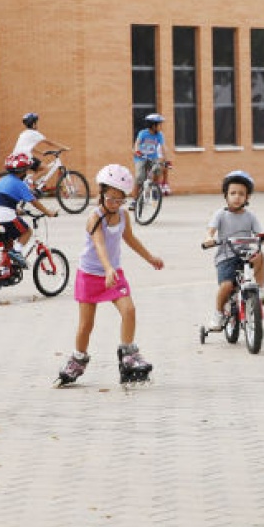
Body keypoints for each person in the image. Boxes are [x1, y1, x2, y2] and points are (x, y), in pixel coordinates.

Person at [57, 164, 165, 386]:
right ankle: (77, 359)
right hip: (91, 274)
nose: (115, 203)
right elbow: (99, 245)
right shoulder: (95, 217)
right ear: (102, 193)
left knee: (130, 310)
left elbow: (130, 240)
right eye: (111, 198)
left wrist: (150, 257)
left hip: (114, 274)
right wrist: (107, 268)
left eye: (120, 199)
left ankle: (128, 355)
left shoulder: (123, 215)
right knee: (86, 325)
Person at [204, 170, 264, 330]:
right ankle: (218, 313)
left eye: (241, 193)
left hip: (245, 255)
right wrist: (209, 238)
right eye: (232, 193)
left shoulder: (250, 216)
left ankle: (260, 289)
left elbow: (260, 233)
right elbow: (211, 230)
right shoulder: (220, 214)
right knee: (227, 286)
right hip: (226, 257)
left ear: (247, 197)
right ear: (226, 195)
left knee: (259, 255)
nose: (237, 197)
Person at [0, 153, 56, 272]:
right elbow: (33, 202)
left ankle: (4, 271)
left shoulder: (3, 180)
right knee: (27, 232)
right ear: (23, 171)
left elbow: (2, 200)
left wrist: (18, 211)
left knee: (7, 246)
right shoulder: (20, 184)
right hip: (5, 216)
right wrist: (48, 212)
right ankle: (17, 252)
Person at [11, 112, 69, 188]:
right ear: (34, 124)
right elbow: (49, 142)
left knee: (38, 169)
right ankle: (29, 182)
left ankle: (32, 185)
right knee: (45, 168)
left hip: (16, 157)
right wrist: (64, 147)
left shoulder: (23, 133)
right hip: (25, 157)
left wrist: (41, 153)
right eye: (36, 122)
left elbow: (28, 146)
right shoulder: (35, 133)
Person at [132, 113, 169, 206]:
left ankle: (155, 189)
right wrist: (137, 151)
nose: (161, 126)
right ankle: (134, 200)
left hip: (153, 158)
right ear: (153, 125)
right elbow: (137, 143)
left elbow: (164, 147)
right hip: (141, 157)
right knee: (139, 178)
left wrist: (166, 160)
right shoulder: (143, 133)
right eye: (159, 124)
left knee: (158, 169)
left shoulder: (160, 135)